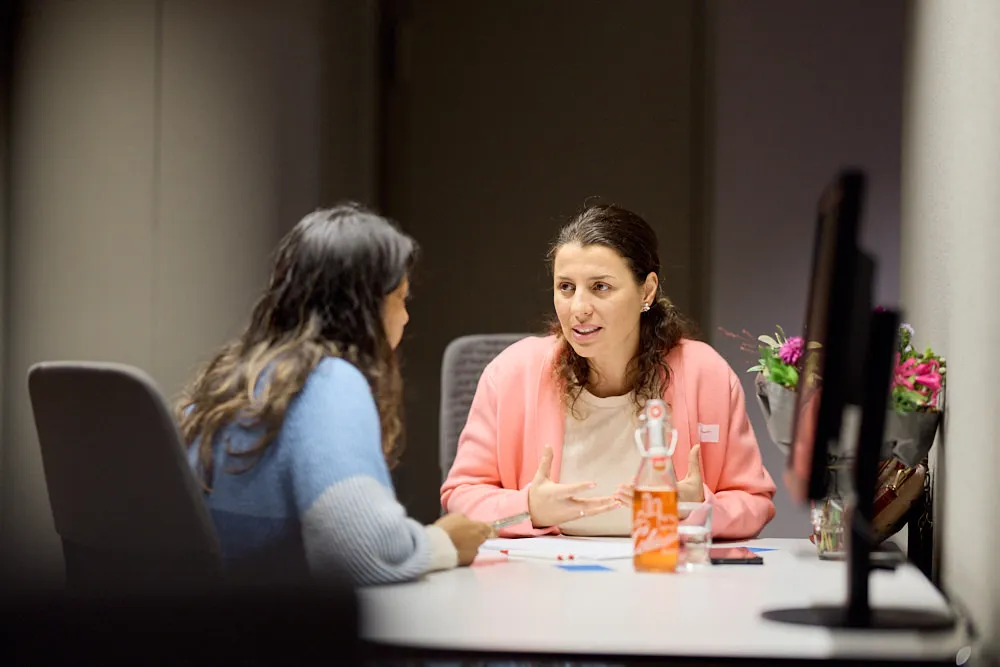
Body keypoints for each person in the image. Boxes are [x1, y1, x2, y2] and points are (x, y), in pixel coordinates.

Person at [178, 202, 492, 587]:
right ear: (366, 306)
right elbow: (363, 553)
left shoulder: (230, 378)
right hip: (279, 620)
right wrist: (443, 543)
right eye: (401, 298)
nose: (406, 317)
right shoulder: (329, 382)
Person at [440, 203, 776, 540]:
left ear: (647, 290)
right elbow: (462, 494)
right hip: (547, 570)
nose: (578, 308)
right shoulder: (512, 373)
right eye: (566, 287)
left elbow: (754, 502)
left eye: (601, 287)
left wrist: (696, 508)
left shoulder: (705, 374)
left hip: (662, 568)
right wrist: (528, 508)